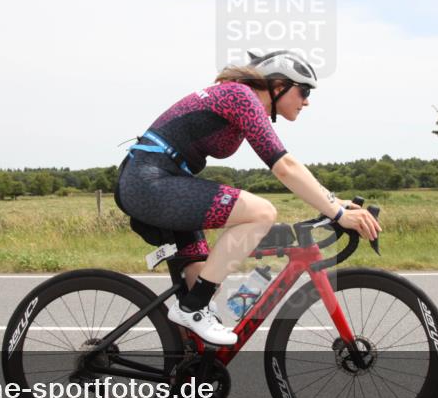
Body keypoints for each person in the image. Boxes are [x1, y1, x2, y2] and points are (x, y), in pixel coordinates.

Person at [114, 50, 381, 345]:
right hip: (150, 182)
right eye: (303, 91)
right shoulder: (240, 97)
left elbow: (289, 167)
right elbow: (285, 167)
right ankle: (191, 309)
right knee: (261, 212)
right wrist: (338, 214)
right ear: (279, 86)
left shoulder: (243, 102)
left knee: (203, 282)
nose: (306, 101)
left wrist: (334, 201)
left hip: (164, 181)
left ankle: (187, 372)